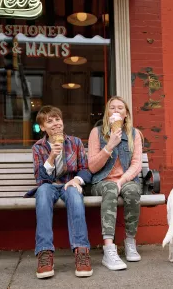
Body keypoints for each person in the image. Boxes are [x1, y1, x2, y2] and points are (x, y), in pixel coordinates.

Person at [25, 105, 93, 279]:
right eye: (50, 121)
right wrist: (51, 157)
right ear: (42, 127)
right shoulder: (38, 148)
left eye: (58, 119)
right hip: (48, 185)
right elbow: (40, 179)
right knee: (43, 193)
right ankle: (44, 253)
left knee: (74, 195)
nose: (55, 123)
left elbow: (85, 169)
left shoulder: (75, 142)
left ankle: (82, 252)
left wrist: (77, 180)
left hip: (69, 184)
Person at [87, 96, 144, 271]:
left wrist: (122, 180)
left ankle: (130, 241)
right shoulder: (96, 133)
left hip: (125, 180)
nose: (117, 111)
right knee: (110, 188)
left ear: (126, 114)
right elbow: (92, 167)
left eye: (121, 108)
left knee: (133, 190)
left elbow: (136, 164)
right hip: (101, 182)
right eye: (112, 108)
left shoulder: (134, 134)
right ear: (107, 113)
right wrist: (109, 146)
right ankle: (109, 249)